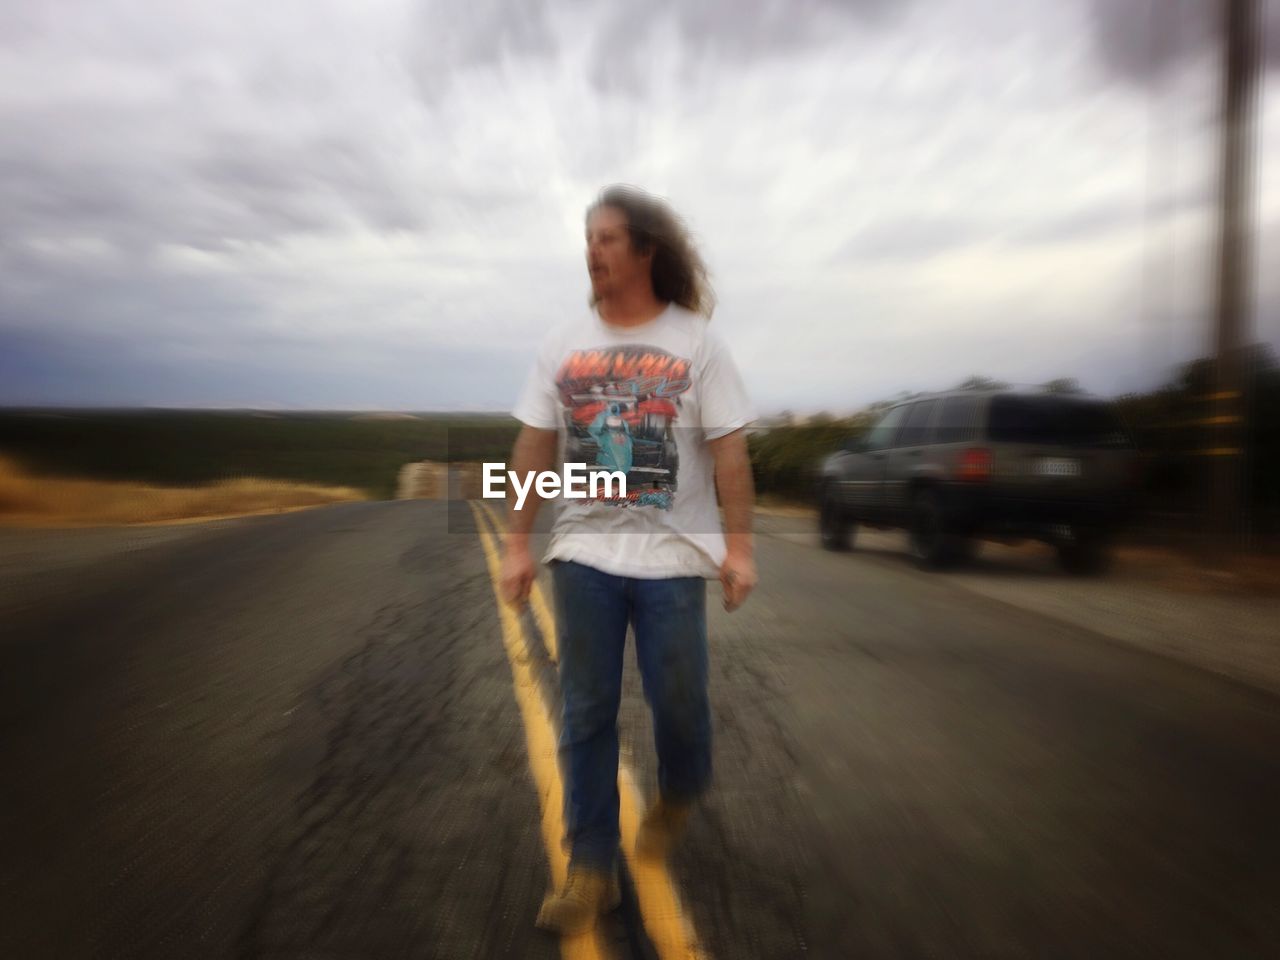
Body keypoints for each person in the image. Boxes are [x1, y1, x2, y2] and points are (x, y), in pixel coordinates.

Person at [500, 184, 758, 936]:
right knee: (585, 710)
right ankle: (591, 867)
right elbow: (533, 447)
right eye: (588, 239)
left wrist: (737, 549)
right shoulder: (562, 344)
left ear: (647, 250)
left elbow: (730, 454)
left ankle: (680, 789)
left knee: (679, 705)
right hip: (583, 550)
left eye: (608, 238)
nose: (593, 251)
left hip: (673, 558)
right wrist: (518, 542)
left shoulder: (697, 343)